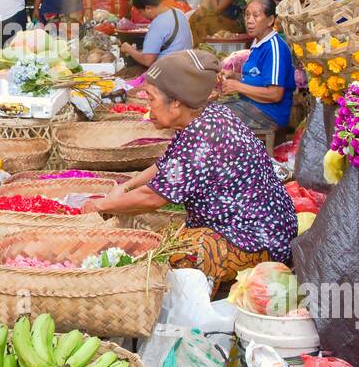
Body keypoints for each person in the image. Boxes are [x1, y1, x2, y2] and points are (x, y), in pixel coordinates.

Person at [80, 49, 297, 291]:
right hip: (257, 227)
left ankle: (204, 300)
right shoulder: (206, 116)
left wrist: (99, 206)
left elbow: (152, 199)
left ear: (176, 102)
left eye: (151, 98)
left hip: (258, 239)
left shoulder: (203, 137)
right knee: (155, 240)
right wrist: (126, 186)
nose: (149, 108)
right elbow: (165, 163)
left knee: (166, 254)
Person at [218, 0, 297, 133]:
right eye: (247, 15)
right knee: (206, 109)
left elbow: (275, 94)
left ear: (270, 20)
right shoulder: (258, 43)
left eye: (255, 16)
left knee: (212, 118)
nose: (249, 20)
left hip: (268, 115)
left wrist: (238, 86)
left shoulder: (274, 48)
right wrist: (233, 75)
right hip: (251, 106)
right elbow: (257, 78)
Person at [119, 0, 192, 68]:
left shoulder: (158, 23)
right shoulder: (178, 13)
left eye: (140, 12)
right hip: (185, 64)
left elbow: (148, 60)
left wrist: (128, 49)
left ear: (148, 8)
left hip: (169, 69)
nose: (142, 15)